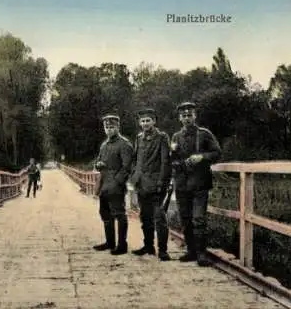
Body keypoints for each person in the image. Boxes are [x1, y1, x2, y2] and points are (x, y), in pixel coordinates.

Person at [170, 102, 222, 266]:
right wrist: (173, 155)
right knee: (185, 218)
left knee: (198, 219)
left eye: (189, 115)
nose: (187, 118)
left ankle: (201, 254)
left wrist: (202, 157)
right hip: (182, 184)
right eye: (184, 116)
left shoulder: (204, 134)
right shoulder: (176, 137)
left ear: (195, 116)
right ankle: (191, 251)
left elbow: (217, 153)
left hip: (200, 183)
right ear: (180, 118)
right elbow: (172, 160)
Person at [129, 108, 172, 261]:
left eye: (148, 120)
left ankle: (163, 250)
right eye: (143, 121)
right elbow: (135, 159)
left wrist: (161, 182)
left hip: (156, 184)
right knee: (145, 217)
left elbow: (165, 162)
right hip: (141, 184)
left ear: (154, 121)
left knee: (159, 218)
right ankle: (148, 246)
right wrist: (135, 175)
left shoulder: (162, 137)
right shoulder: (139, 138)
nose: (145, 123)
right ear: (140, 123)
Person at [93, 114, 134, 255]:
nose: (109, 130)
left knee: (119, 214)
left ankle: (122, 245)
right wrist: (98, 165)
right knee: (105, 214)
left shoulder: (124, 144)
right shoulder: (104, 145)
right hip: (104, 185)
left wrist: (117, 182)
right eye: (107, 127)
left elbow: (127, 167)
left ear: (118, 127)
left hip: (116, 186)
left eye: (112, 127)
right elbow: (98, 161)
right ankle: (110, 242)